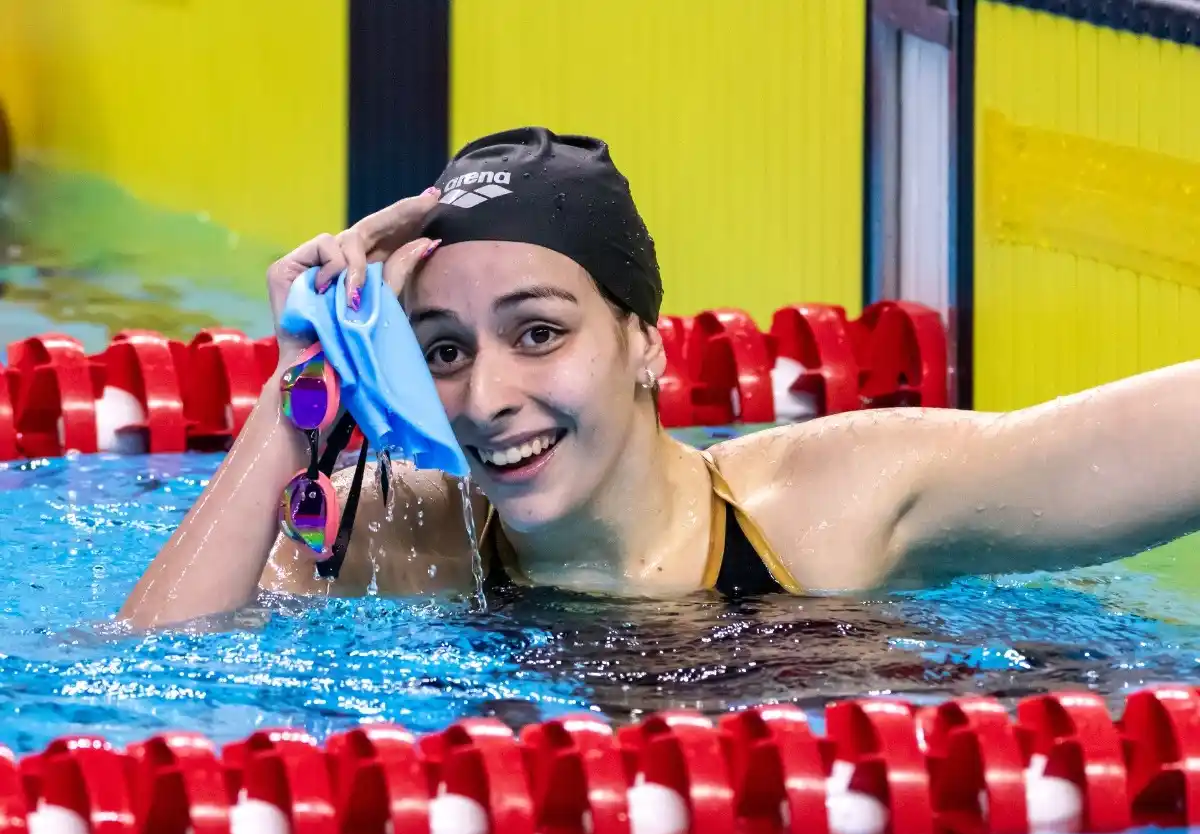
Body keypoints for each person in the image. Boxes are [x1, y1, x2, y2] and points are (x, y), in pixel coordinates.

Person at [120, 127, 1200, 630]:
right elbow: (144, 677)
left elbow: (1145, 444)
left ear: (649, 343)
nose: (487, 395)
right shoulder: (409, 540)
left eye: (537, 334)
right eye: (443, 350)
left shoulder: (831, 505)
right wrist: (291, 399)